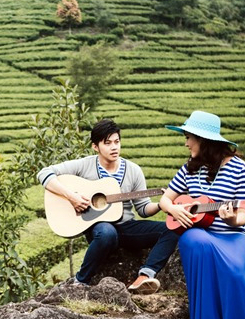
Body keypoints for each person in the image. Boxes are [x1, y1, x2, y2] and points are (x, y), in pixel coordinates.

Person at [159, 110, 245, 319]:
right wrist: (175, 211)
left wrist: (231, 216)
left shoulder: (240, 169)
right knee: (194, 239)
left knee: (234, 273)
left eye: (189, 136)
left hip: (232, 238)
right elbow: (165, 200)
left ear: (204, 140)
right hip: (202, 235)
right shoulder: (190, 169)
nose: (186, 142)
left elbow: (243, 216)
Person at [37, 118, 179, 294]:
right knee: (107, 233)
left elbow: (143, 209)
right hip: (99, 228)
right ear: (95, 146)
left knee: (173, 228)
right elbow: (44, 173)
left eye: (117, 142)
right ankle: (81, 281)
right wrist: (72, 197)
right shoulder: (84, 165)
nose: (114, 147)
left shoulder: (133, 170)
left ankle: (145, 276)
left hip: (127, 227)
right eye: (108, 143)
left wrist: (161, 205)